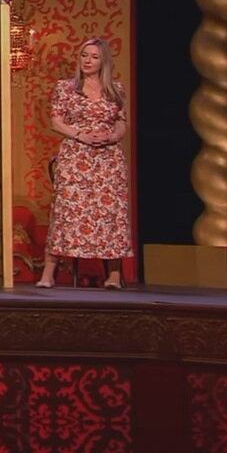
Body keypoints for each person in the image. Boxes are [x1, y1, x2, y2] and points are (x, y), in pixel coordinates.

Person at [37, 38, 131, 290]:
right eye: (84, 55)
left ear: (104, 62)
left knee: (111, 213)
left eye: (94, 57)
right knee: (66, 211)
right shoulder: (66, 88)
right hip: (76, 156)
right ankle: (48, 273)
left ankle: (113, 273)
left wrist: (112, 136)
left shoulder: (116, 89)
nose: (88, 61)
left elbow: (122, 122)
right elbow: (56, 122)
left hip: (108, 159)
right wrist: (80, 135)